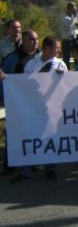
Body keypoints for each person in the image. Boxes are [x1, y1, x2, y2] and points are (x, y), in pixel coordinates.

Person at [11, 36, 67, 183]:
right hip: (32, 108)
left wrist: (63, 78)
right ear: (47, 48)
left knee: (51, 139)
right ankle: (26, 170)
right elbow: (23, 84)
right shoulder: (31, 64)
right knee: (30, 138)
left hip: (52, 109)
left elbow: (67, 86)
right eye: (56, 47)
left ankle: (50, 169)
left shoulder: (60, 65)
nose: (59, 50)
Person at [1, 30, 39, 175]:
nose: (35, 42)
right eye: (31, 39)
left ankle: (32, 162)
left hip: (35, 104)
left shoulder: (42, 57)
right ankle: (9, 163)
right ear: (23, 41)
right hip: (16, 102)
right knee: (13, 132)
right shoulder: (12, 59)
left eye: (36, 39)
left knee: (33, 133)